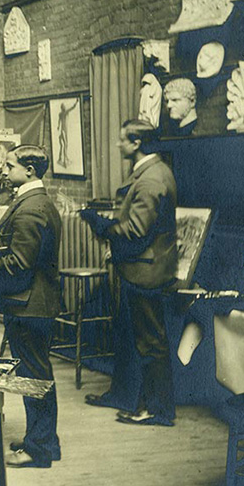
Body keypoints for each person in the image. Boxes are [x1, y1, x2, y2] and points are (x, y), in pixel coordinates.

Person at [81, 119, 178, 426]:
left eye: (123, 140)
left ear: (137, 144)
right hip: (140, 269)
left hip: (145, 273)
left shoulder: (151, 179)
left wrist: (101, 225)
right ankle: (129, 398)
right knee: (132, 337)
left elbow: (136, 230)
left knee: (150, 343)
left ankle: (156, 410)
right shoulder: (151, 172)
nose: (118, 144)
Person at [0, 145, 62, 468]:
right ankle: (45, 441)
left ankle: (38, 449)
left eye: (10, 166)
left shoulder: (31, 208)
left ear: (29, 170)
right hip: (34, 304)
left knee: (33, 376)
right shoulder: (34, 201)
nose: (5, 170)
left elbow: (19, 263)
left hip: (29, 306)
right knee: (38, 373)